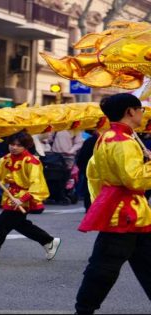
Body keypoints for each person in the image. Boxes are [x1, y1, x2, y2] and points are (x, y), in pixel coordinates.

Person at [75, 93, 151, 314]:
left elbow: (93, 173)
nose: (142, 114)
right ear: (130, 111)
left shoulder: (108, 137)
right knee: (103, 268)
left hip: (133, 213)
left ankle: (84, 308)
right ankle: (84, 310)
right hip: (124, 215)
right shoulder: (122, 141)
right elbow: (134, 178)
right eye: (141, 110)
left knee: (146, 264)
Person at [0, 131, 61, 265]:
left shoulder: (32, 161)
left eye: (18, 145)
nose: (14, 147)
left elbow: (37, 183)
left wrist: (23, 198)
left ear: (26, 146)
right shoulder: (6, 158)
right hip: (11, 196)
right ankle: (48, 241)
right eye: (12, 144)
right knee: (20, 225)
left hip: (22, 199)